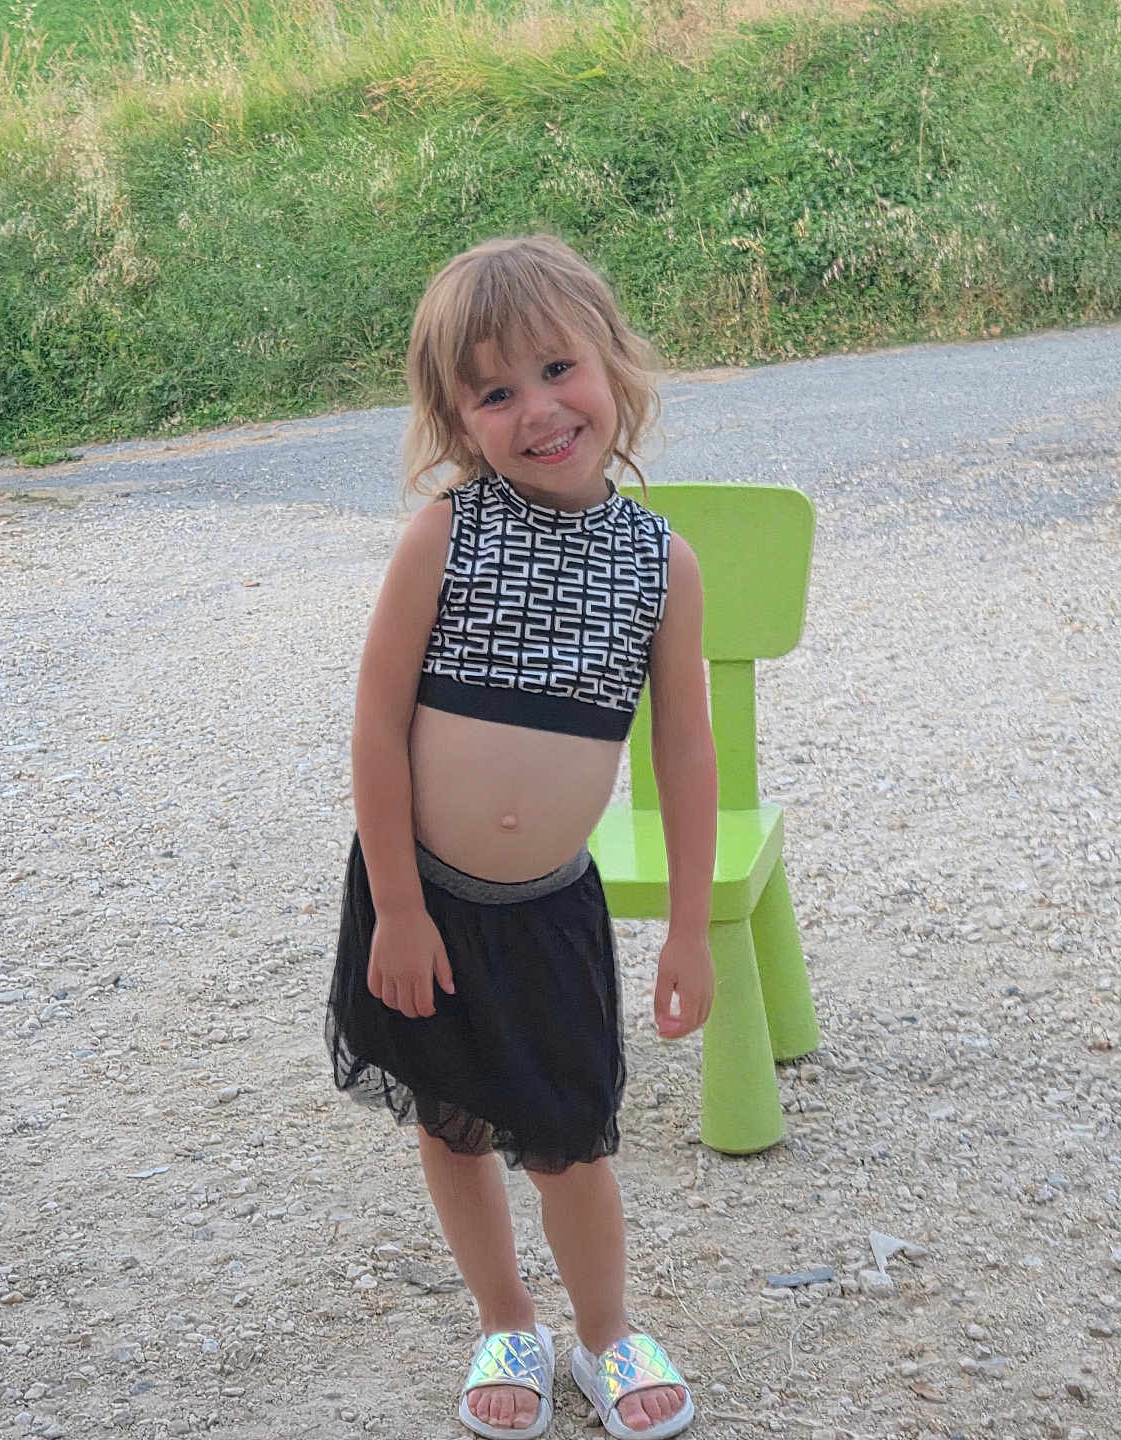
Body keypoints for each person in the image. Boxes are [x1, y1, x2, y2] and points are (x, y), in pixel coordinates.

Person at [325, 234, 717, 1440]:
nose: (539, 409)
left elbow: (685, 755)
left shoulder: (660, 562)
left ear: (616, 364)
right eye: (496, 392)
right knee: (452, 1118)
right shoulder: (446, 535)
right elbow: (379, 722)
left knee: (567, 1142)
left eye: (560, 369)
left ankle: (605, 1334)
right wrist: (394, 901)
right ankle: (506, 1318)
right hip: (424, 900)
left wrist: (689, 931)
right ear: (456, 417)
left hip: (548, 908)